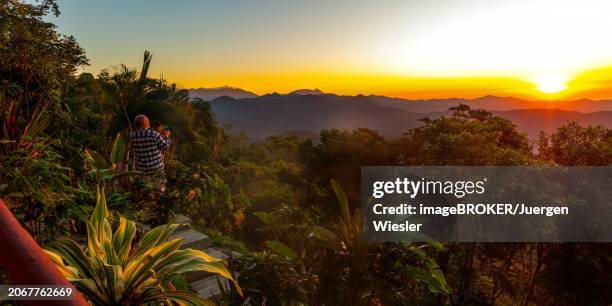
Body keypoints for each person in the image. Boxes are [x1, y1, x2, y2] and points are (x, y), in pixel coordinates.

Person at [130, 115, 171, 196]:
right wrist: (166, 137)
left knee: (146, 192)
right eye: (148, 121)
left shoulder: (132, 135)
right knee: (158, 192)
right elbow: (165, 147)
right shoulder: (153, 134)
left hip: (142, 170)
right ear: (145, 123)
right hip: (156, 169)